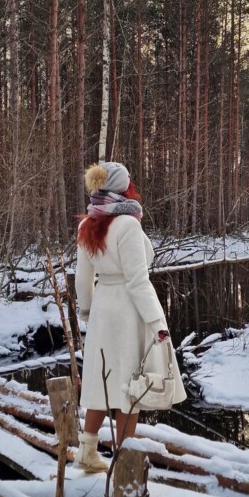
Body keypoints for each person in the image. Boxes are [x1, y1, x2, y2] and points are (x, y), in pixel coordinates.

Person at [73, 161, 185, 472]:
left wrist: (86, 311)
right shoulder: (128, 225)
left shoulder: (87, 225)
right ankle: (122, 462)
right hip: (127, 310)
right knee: (129, 386)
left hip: (102, 308)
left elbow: (83, 279)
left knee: (99, 380)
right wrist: (158, 324)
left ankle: (87, 450)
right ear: (123, 188)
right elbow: (138, 281)